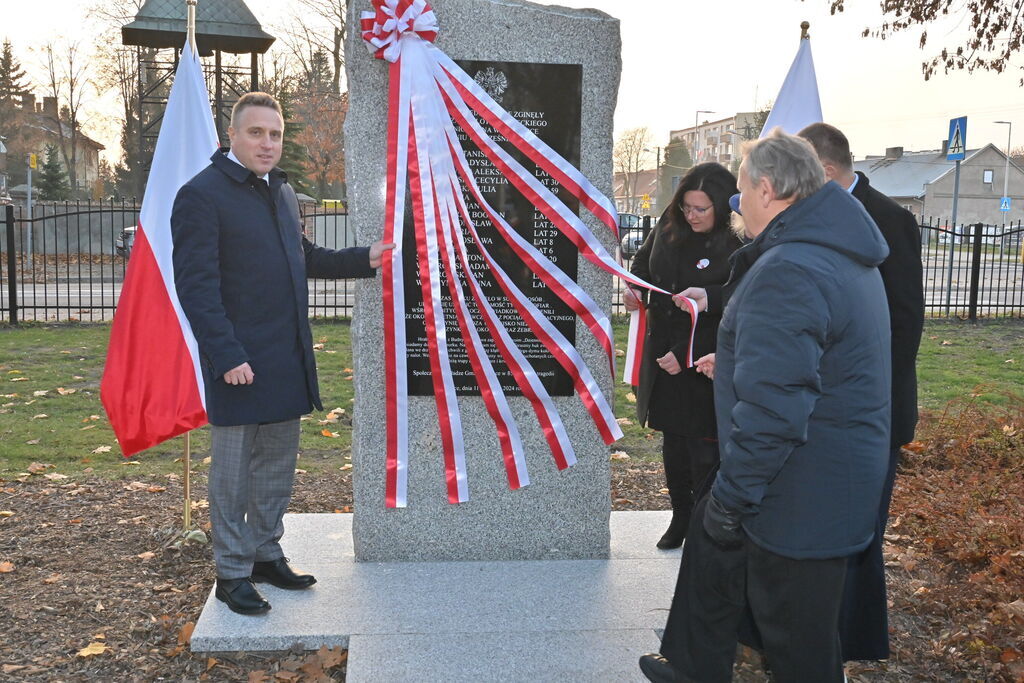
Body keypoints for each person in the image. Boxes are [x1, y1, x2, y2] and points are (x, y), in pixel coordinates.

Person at [639, 129, 892, 683]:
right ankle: (692, 665)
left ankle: (695, 664)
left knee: (799, 645)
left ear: (769, 190)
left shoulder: (791, 270)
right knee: (718, 562)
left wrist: (735, 497)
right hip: (824, 479)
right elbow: (807, 368)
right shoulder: (833, 252)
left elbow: (777, 411)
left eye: (740, 195)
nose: (737, 207)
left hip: (800, 488)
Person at [171, 92, 393, 616]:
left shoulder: (282, 192)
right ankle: (230, 572)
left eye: (275, 134)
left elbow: (303, 256)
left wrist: (366, 258)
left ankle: (265, 553)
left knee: (276, 466)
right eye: (256, 133)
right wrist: (226, 355)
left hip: (285, 354)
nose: (267, 143)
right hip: (238, 360)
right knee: (232, 471)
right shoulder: (200, 195)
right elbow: (196, 288)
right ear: (232, 136)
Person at [798, 122, 925, 661]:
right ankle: (813, 637)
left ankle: (851, 644)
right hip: (826, 410)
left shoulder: (890, 221)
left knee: (860, 533)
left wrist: (852, 395)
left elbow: (902, 326)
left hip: (870, 411)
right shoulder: (816, 214)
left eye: (801, 173)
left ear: (826, 172)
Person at [625, 163, 742, 549]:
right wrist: (635, 289)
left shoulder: (739, 240)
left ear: (722, 208)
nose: (691, 215)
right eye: (687, 207)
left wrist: (686, 352)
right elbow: (643, 264)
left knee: (704, 448)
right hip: (665, 354)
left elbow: (739, 299)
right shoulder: (671, 224)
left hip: (708, 357)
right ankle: (680, 517)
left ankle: (706, 523)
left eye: (701, 209)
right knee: (673, 444)